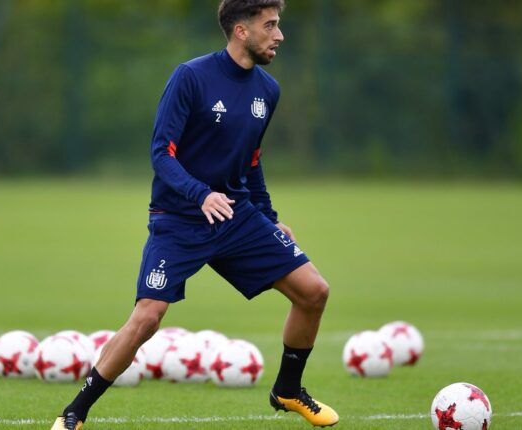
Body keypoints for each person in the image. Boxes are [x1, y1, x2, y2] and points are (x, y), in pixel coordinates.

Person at [51, 0, 338, 428]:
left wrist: (268, 215)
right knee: (147, 317)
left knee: (314, 291)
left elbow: (252, 160)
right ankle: (74, 413)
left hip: (236, 216)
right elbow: (160, 154)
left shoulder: (268, 90)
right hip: (179, 217)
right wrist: (200, 194)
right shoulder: (190, 77)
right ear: (241, 31)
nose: (279, 35)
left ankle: (287, 390)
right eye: (271, 25)